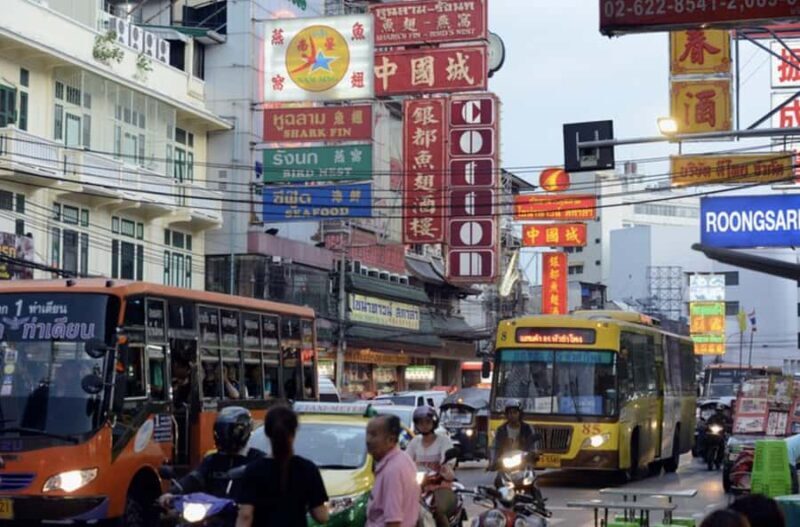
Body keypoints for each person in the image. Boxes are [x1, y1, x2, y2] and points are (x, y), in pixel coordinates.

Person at [236, 405, 328, 527]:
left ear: (267, 432)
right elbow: (321, 516)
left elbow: (245, 515)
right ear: (294, 432)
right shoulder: (307, 469)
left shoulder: (254, 470)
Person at [158, 407, 263, 510]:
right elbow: (194, 478)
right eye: (221, 430)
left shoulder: (257, 459)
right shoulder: (212, 460)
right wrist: (172, 493)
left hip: (246, 514)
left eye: (229, 431)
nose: (224, 435)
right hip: (213, 515)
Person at [405, 406, 457, 527]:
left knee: (438, 510)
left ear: (434, 423)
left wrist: (446, 467)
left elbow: (449, 461)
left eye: (427, 422)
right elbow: (406, 460)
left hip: (440, 485)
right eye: (420, 422)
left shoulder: (443, 441)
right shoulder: (415, 442)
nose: (424, 425)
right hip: (418, 486)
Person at [365, 414, 420, 527]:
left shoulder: (392, 470)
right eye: (368, 434)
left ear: (390, 440)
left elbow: (393, 521)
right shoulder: (402, 460)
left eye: (373, 435)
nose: (368, 440)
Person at [492, 399, 538, 468]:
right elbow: (495, 446)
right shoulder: (501, 429)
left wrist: (533, 454)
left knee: (531, 477)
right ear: (506, 415)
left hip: (524, 463)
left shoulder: (527, 428)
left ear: (520, 414)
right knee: (498, 478)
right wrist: (494, 461)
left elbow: (533, 445)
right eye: (510, 413)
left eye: (515, 412)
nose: (512, 415)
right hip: (506, 463)